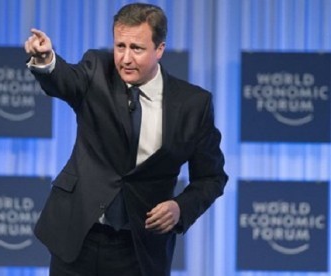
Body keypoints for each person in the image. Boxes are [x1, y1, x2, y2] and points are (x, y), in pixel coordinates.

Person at [24, 3, 228, 276]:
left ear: (160, 49)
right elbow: (64, 80)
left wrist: (180, 207)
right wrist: (46, 60)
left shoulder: (194, 104)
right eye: (120, 46)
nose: (126, 58)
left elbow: (211, 178)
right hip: (77, 236)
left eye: (137, 48)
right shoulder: (97, 68)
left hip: (139, 249)